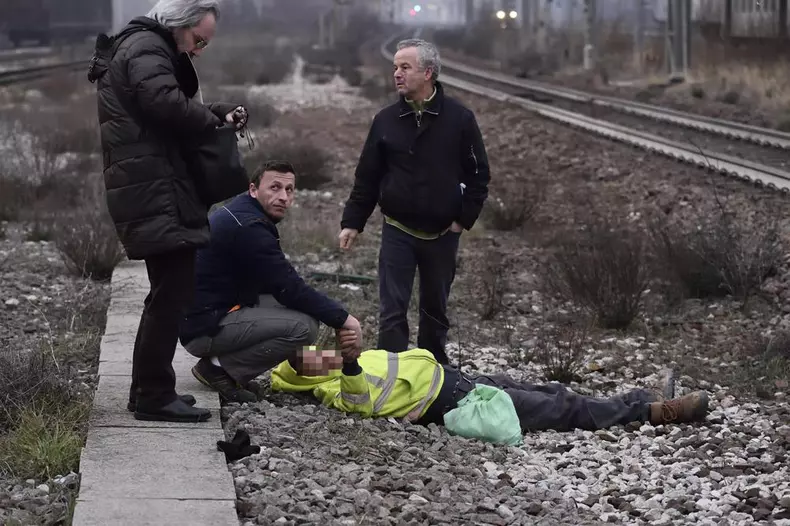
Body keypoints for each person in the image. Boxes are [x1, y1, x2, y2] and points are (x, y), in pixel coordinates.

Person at [89, 0, 250, 422]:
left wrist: (216, 111)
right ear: (178, 24)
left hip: (151, 185)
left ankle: (148, 389)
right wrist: (212, 123)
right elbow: (163, 102)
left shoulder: (146, 45)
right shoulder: (146, 46)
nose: (198, 50)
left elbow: (165, 103)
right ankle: (154, 396)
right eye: (198, 40)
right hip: (154, 188)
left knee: (165, 293)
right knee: (171, 294)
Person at [339, 38, 490, 365]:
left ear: (428, 73)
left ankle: (432, 371)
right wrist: (353, 222)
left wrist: (462, 219)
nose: (397, 73)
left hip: (442, 233)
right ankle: (390, 371)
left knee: (435, 309)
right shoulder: (386, 120)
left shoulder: (459, 119)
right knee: (392, 310)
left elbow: (479, 174)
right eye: (395, 67)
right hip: (398, 229)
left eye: (405, 67)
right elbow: (367, 176)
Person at [180, 160, 364, 403]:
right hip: (202, 329)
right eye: (274, 187)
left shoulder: (244, 213)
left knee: (303, 311)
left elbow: (280, 284)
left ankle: (293, 364)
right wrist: (346, 320)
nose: (283, 197)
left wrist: (331, 318)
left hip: (205, 315)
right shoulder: (250, 227)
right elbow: (288, 287)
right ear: (253, 189)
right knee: (304, 327)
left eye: (289, 190)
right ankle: (218, 368)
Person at [271, 347, 710, 437]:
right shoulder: (335, 388)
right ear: (308, 378)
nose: (323, 358)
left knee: (551, 390)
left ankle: (638, 401)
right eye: (313, 364)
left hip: (464, 380)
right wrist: (348, 366)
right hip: (462, 402)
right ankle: (655, 412)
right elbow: (359, 403)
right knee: (560, 409)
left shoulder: (350, 359)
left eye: (318, 353)